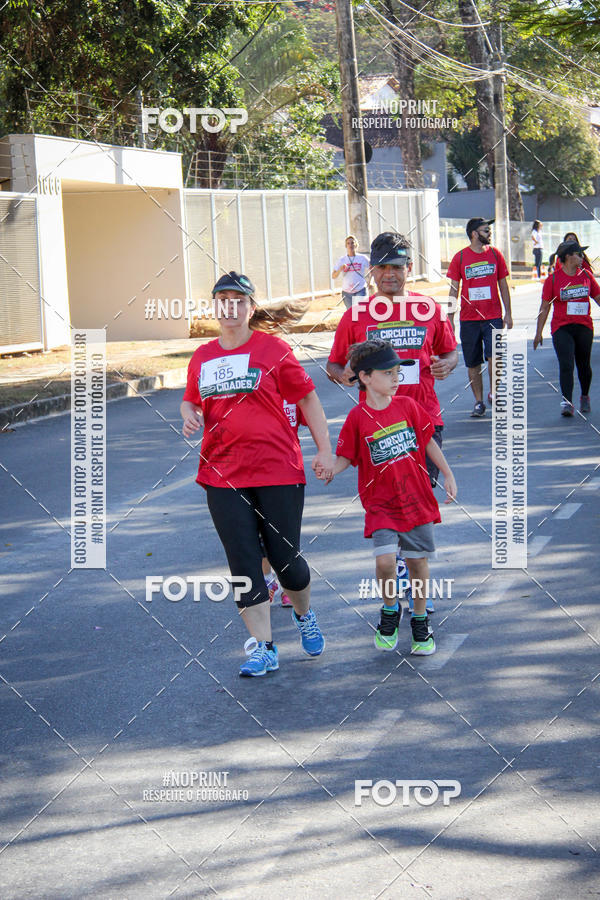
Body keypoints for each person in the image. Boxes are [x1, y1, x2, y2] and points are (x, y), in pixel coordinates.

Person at [181, 271, 334, 677]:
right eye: (222, 299)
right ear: (215, 307)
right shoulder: (202, 357)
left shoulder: (274, 350)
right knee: (244, 563)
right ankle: (264, 648)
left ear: (250, 307)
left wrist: (324, 449)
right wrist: (190, 414)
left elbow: (309, 399)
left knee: (286, 562)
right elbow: (191, 402)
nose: (230, 306)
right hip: (222, 476)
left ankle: (304, 613)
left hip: (278, 471)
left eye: (239, 299)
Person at [326, 231, 458, 614]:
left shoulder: (429, 310)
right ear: (371, 272)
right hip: (376, 428)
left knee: (417, 503)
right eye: (382, 267)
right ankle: (401, 570)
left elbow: (449, 352)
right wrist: (345, 376)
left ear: (408, 270)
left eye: (396, 267)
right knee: (387, 504)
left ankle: (413, 580)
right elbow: (335, 364)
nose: (389, 274)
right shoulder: (356, 316)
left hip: (423, 421)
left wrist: (447, 364)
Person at [317, 339, 457, 656]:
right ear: (365, 377)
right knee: (384, 562)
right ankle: (390, 610)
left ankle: (420, 623)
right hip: (380, 504)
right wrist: (330, 470)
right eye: (388, 372)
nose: (396, 378)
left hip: (416, 500)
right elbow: (347, 457)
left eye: (398, 372)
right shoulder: (357, 418)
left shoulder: (408, 406)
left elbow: (428, 442)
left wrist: (447, 474)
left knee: (417, 563)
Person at [447, 217, 513, 417]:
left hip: (493, 316)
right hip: (469, 319)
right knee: (473, 362)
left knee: (495, 356)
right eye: (486, 231)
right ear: (474, 234)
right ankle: (478, 401)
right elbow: (453, 289)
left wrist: (508, 313)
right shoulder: (460, 258)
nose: (489, 234)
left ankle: (494, 392)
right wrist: (450, 317)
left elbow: (503, 285)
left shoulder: (495, 255)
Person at [533, 240, 600, 416]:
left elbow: (598, 298)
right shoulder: (553, 279)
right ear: (569, 256)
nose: (581, 257)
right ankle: (567, 402)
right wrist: (538, 332)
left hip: (584, 327)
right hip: (562, 328)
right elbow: (545, 307)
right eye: (579, 253)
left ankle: (584, 396)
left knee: (583, 364)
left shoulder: (586, 276)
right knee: (566, 364)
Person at [331, 235, 372, 309]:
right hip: (347, 292)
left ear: (356, 245)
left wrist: (370, 282)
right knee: (351, 314)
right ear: (346, 246)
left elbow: (373, 269)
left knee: (359, 311)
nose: (350, 245)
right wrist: (340, 269)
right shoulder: (342, 260)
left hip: (360, 289)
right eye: (348, 243)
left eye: (352, 243)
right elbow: (333, 276)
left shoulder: (362, 258)